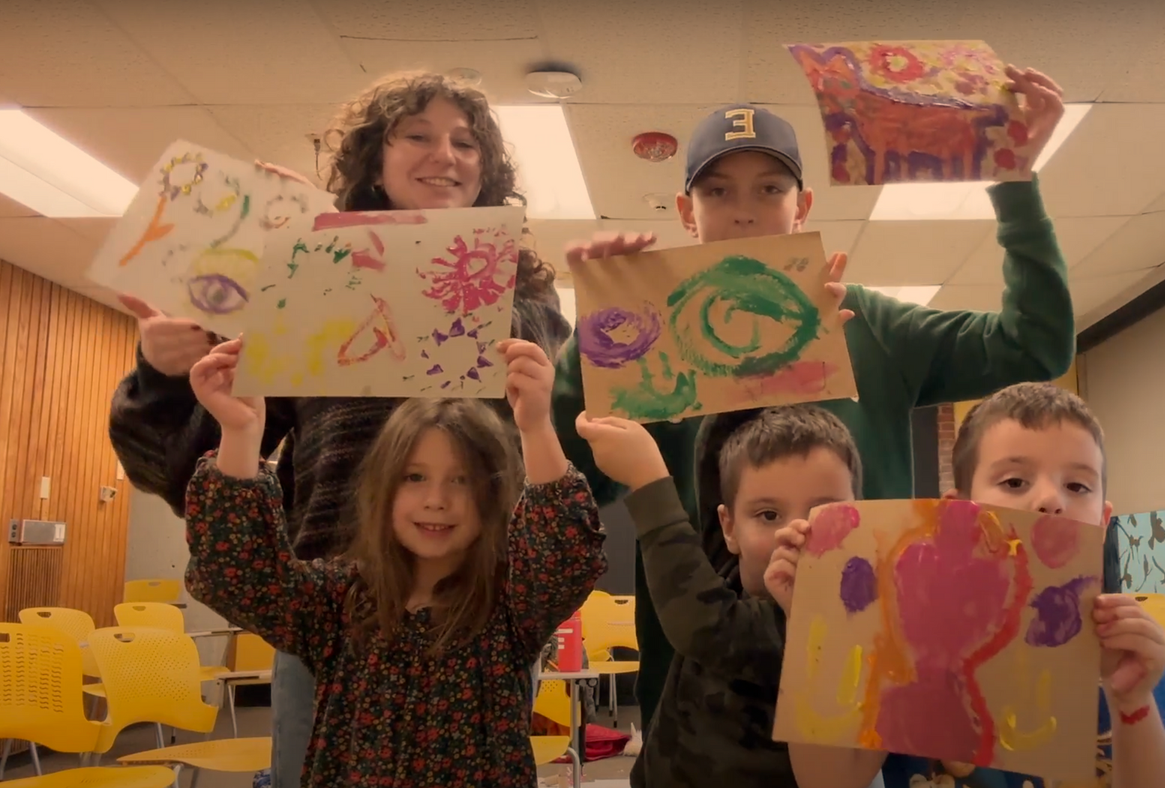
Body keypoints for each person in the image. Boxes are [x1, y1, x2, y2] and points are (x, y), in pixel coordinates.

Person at [553, 65, 1076, 768]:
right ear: (685, 212)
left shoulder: (869, 324)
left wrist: (1013, 182)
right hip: (702, 702)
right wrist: (584, 349)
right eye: (718, 191)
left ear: (802, 205)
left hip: (864, 684)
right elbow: (579, 478)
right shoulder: (659, 340)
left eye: (769, 190)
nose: (745, 211)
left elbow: (1034, 343)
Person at [106, 71, 570, 788]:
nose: (443, 155)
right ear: (374, 164)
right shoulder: (304, 292)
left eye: (465, 142)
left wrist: (344, 255)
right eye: (415, 135)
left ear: (489, 169)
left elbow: (558, 439)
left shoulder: (525, 298)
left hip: (486, 608)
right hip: (332, 613)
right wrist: (165, 373)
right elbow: (184, 468)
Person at [184, 335, 605, 786]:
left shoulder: (507, 607)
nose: (437, 500)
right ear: (384, 488)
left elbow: (566, 554)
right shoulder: (336, 601)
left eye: (461, 480)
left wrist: (537, 427)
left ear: (491, 495)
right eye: (415, 477)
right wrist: (242, 434)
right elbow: (237, 574)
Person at [765, 382, 1165, 788]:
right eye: (1014, 481)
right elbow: (828, 782)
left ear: (1103, 523)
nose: (1050, 499)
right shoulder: (899, 633)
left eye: (1077, 485)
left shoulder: (1122, 650)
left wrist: (1132, 703)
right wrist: (810, 617)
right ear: (958, 514)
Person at [574, 404, 883, 788]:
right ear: (730, 529)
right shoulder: (728, 569)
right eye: (769, 515)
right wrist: (749, 379)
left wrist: (647, 478)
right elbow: (715, 460)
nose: (796, 532)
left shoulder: (834, 626)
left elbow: (703, 622)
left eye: (826, 511)